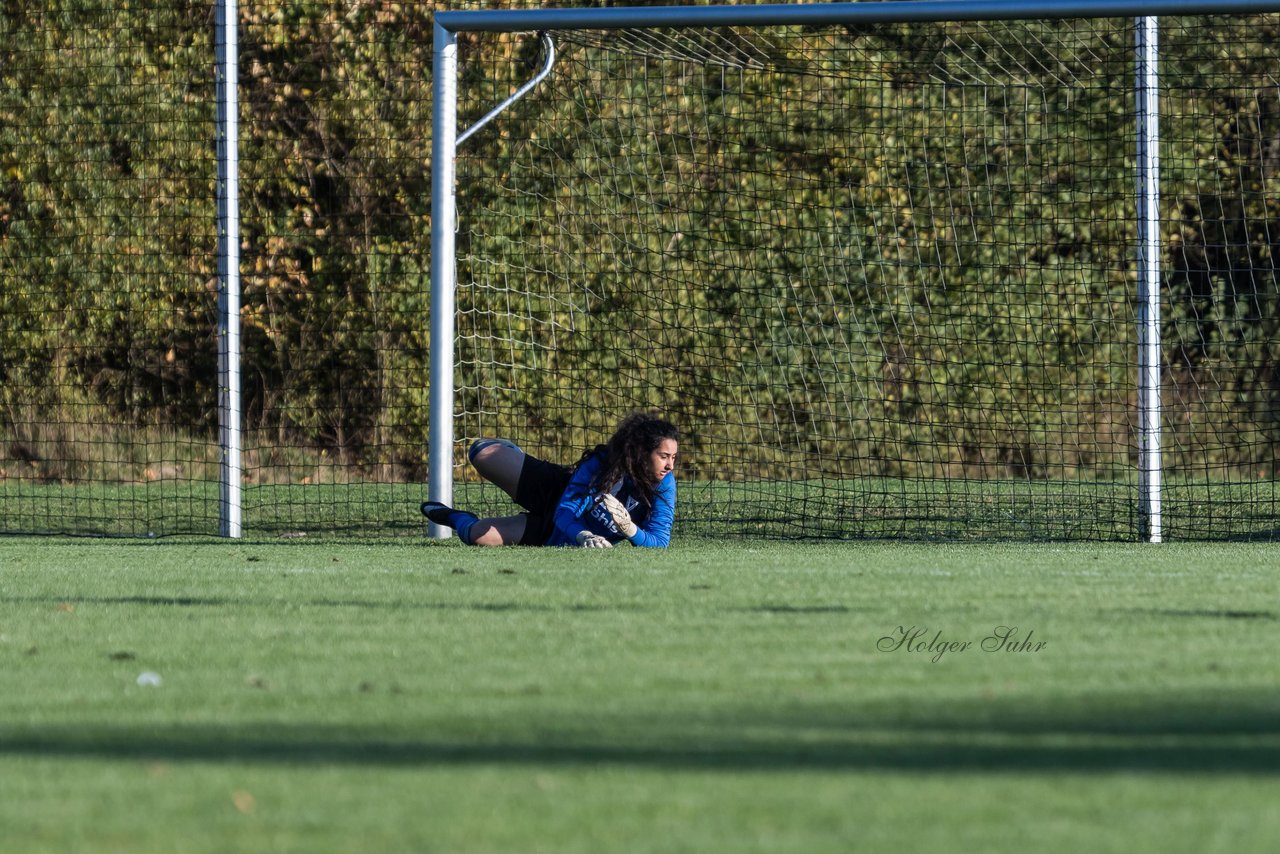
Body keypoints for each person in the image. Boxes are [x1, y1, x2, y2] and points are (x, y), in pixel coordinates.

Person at [421, 413, 679, 548]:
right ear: (641, 453)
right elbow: (567, 510)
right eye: (664, 456)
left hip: (552, 533)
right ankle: (516, 456)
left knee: (478, 536)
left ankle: (453, 516)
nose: (670, 465)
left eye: (674, 457)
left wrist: (629, 529)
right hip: (557, 491)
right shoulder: (603, 464)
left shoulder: (664, 485)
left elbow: (659, 542)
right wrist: (584, 534)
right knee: (482, 452)